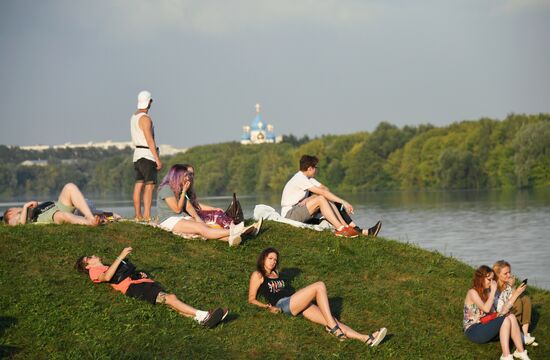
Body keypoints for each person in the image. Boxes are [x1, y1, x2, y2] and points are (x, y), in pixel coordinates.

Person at [248, 247, 387, 345]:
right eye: (270, 258)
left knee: (330, 319)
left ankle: (365, 338)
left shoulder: (277, 274)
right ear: (263, 258)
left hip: (296, 302)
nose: (273, 261)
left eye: (275, 259)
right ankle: (332, 328)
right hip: (283, 304)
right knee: (319, 285)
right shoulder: (258, 274)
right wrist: (267, 307)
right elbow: (251, 299)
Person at [75, 247, 228, 328]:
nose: (93, 255)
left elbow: (117, 274)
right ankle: (204, 315)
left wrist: (137, 274)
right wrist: (120, 256)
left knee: (169, 302)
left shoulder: (106, 266)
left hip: (138, 284)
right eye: (88, 258)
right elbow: (107, 277)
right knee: (170, 298)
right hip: (133, 288)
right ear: (88, 266)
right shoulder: (95, 271)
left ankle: (201, 319)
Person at [156, 164, 262, 246]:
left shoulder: (178, 188)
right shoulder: (167, 189)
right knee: (201, 229)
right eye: (185, 176)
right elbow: (177, 209)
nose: (188, 178)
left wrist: (198, 218)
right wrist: (184, 191)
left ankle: (232, 238)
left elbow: (189, 207)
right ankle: (239, 230)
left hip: (180, 217)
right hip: (169, 220)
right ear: (177, 176)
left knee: (205, 227)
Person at [280, 155, 382, 238]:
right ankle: (341, 229)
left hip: (299, 210)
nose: (316, 170)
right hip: (290, 214)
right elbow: (322, 193)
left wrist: (311, 197)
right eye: (316, 167)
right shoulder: (299, 178)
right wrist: (343, 202)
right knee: (321, 199)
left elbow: (325, 190)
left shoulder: (308, 178)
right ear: (310, 168)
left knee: (326, 198)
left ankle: (347, 228)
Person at [463, 265, 530, 360]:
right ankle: (506, 356)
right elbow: (486, 309)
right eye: (489, 279)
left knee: (510, 316)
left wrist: (517, 293)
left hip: (485, 324)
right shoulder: (472, 292)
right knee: (505, 320)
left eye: (492, 279)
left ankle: (521, 351)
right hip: (473, 330)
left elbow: (501, 311)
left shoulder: (488, 292)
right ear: (481, 278)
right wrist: (493, 291)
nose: (491, 282)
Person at [3, 183, 103, 226]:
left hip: (57, 206)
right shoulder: (13, 218)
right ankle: (90, 223)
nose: (17, 208)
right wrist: (25, 207)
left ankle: (90, 217)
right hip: (51, 216)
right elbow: (20, 224)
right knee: (64, 215)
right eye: (14, 208)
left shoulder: (28, 210)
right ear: (10, 213)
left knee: (69, 186)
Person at [131, 90, 162, 222]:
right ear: (149, 102)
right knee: (149, 186)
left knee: (139, 184)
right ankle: (147, 215)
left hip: (137, 155)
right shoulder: (145, 119)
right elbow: (150, 140)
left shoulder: (134, 117)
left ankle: (138, 215)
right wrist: (157, 159)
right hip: (147, 155)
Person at [493, 260, 537, 346]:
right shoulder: (494, 286)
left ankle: (525, 333)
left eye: (509, 272)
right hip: (500, 314)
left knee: (526, 298)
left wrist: (512, 287)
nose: (509, 275)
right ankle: (518, 333)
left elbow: (511, 296)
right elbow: (500, 307)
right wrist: (514, 290)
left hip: (507, 308)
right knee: (517, 301)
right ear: (497, 274)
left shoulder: (506, 283)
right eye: (505, 273)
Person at [177, 164, 235, 229]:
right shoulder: (180, 190)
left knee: (219, 212)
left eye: (193, 174)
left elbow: (196, 205)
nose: (191, 176)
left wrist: (213, 208)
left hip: (198, 214)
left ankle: (232, 224)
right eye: (189, 174)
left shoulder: (189, 190)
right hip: (192, 218)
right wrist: (184, 191)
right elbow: (183, 209)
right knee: (217, 215)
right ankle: (230, 229)